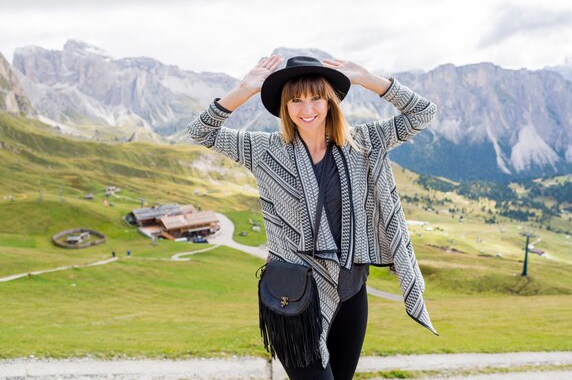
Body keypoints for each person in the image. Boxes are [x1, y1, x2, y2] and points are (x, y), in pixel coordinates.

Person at [187, 54, 438, 379]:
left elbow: (422, 113)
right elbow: (200, 132)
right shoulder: (265, 150)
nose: (307, 110)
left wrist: (367, 78)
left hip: (351, 293)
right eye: (296, 101)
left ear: (330, 102)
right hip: (294, 298)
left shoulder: (362, 143)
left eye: (315, 98)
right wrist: (244, 90)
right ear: (284, 107)